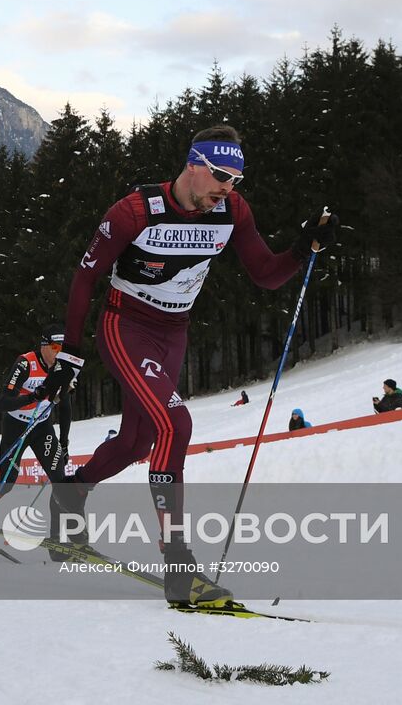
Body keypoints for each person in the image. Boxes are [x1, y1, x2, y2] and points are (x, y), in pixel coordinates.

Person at [50, 124, 337, 610]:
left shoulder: (232, 210)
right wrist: (72, 351)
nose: (228, 189)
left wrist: (301, 248)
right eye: (222, 176)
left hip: (174, 332)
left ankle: (71, 494)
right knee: (176, 422)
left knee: (138, 440)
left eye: (236, 180)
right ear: (194, 165)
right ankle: (178, 565)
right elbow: (86, 277)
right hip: (126, 326)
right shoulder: (135, 211)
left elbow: (265, 274)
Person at [0, 325, 71, 539]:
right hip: (16, 427)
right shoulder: (25, 363)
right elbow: (3, 403)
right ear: (44, 346)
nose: (59, 352)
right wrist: (31, 397)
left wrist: (64, 442)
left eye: (63, 348)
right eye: (55, 346)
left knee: (60, 481)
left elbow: (65, 406)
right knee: (8, 481)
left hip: (41, 427)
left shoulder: (64, 367)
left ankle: (56, 537)